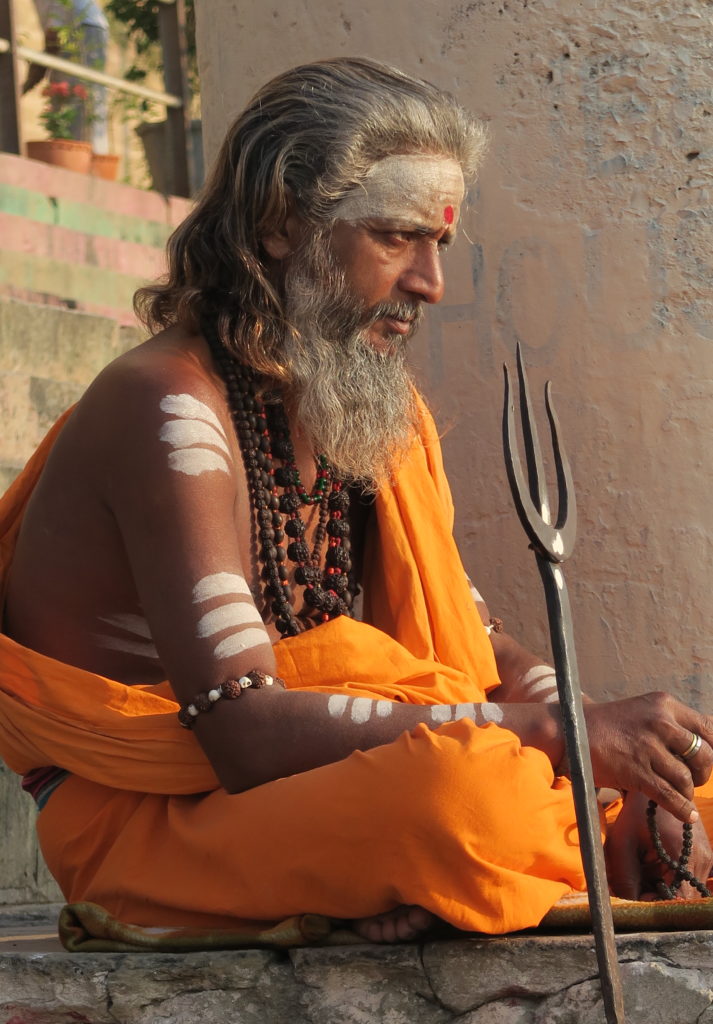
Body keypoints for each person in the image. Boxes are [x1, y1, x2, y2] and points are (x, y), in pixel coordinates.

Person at [0, 58, 712, 944]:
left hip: (322, 793)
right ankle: (486, 862)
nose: (430, 283)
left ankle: (517, 858)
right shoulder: (168, 407)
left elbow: (475, 639)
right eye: (394, 238)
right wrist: (562, 734)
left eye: (439, 244)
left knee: (685, 772)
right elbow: (245, 734)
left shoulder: (363, 408)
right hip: (158, 823)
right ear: (277, 225)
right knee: (466, 803)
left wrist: (607, 752)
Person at [24, 0, 110, 154]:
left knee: (75, 95)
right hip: (84, 25)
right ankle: (82, 154)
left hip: (81, 27)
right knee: (76, 94)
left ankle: (77, 157)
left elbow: (54, 32)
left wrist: (33, 76)